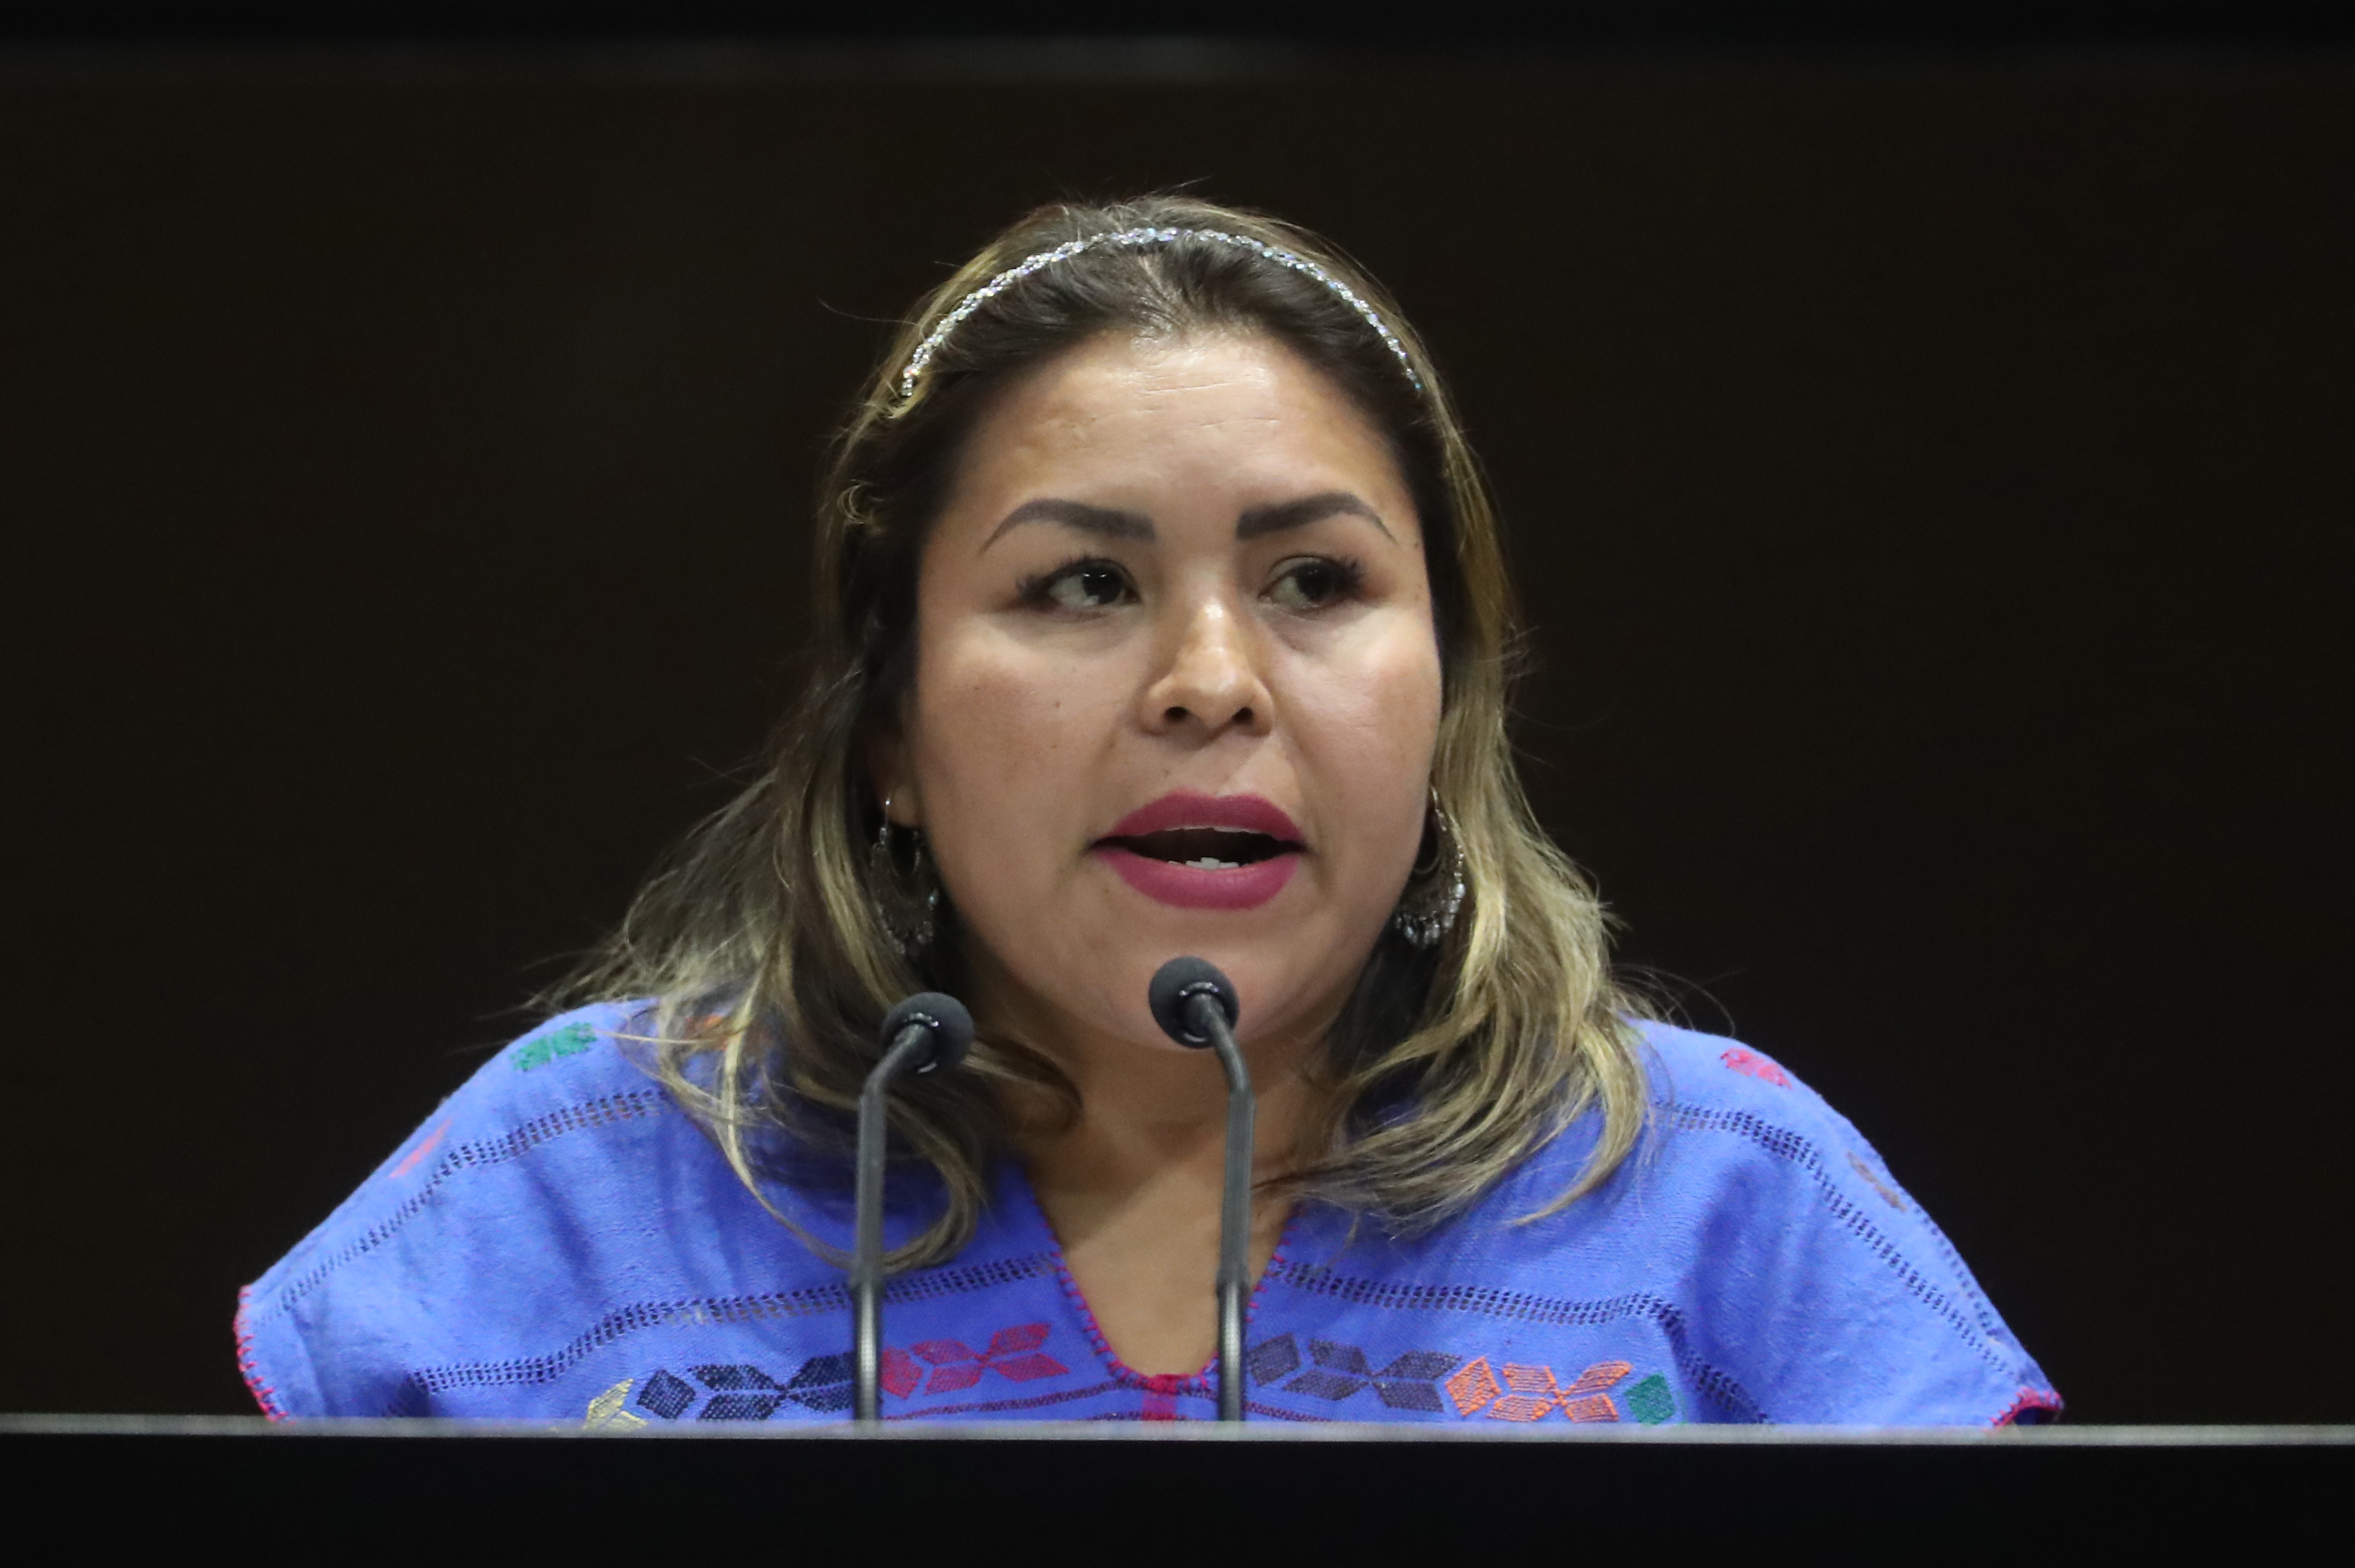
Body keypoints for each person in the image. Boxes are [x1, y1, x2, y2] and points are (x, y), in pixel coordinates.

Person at [237, 195, 2058, 1427]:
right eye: (1082, 586)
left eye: (1315, 581)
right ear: (885, 721)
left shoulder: (1714, 1185)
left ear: (1446, 704)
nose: (1209, 679)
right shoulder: (575, 1174)